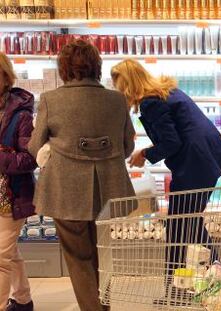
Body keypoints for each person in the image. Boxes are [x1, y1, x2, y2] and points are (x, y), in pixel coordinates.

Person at [111, 59, 221, 305]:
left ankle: (175, 291)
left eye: (119, 86)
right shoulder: (167, 90)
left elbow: (171, 143)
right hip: (205, 160)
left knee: (177, 229)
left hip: (194, 166)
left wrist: (145, 154)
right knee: (190, 222)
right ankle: (217, 277)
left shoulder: (151, 103)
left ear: (128, 85)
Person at [28, 40, 136, 311]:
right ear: (97, 66)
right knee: (102, 253)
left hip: (65, 189)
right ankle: (104, 304)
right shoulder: (117, 99)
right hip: (109, 188)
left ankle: (93, 308)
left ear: (63, 68)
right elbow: (128, 146)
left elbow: (33, 145)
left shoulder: (51, 100)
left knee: (78, 256)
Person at [0, 53, 36, 311]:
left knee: (0, 255)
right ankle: (23, 300)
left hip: (11, 195)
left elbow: (28, 159)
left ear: (4, 77)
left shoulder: (21, 115)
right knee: (8, 252)